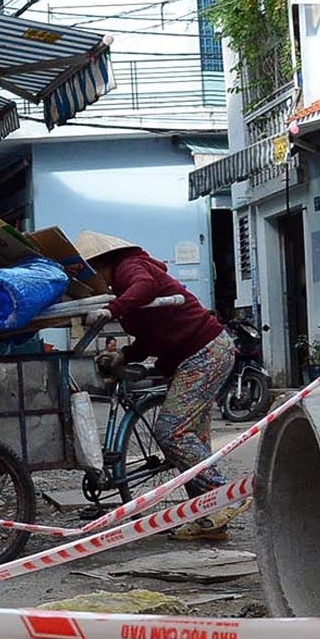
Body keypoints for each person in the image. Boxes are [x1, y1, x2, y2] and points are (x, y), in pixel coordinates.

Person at [75, 230, 241, 542]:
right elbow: (151, 337)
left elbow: (146, 288)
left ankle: (224, 494)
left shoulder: (130, 267)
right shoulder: (123, 281)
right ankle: (209, 518)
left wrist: (111, 310)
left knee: (172, 431)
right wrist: (123, 355)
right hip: (195, 354)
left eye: (90, 270)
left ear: (100, 262)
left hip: (205, 352)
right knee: (194, 441)